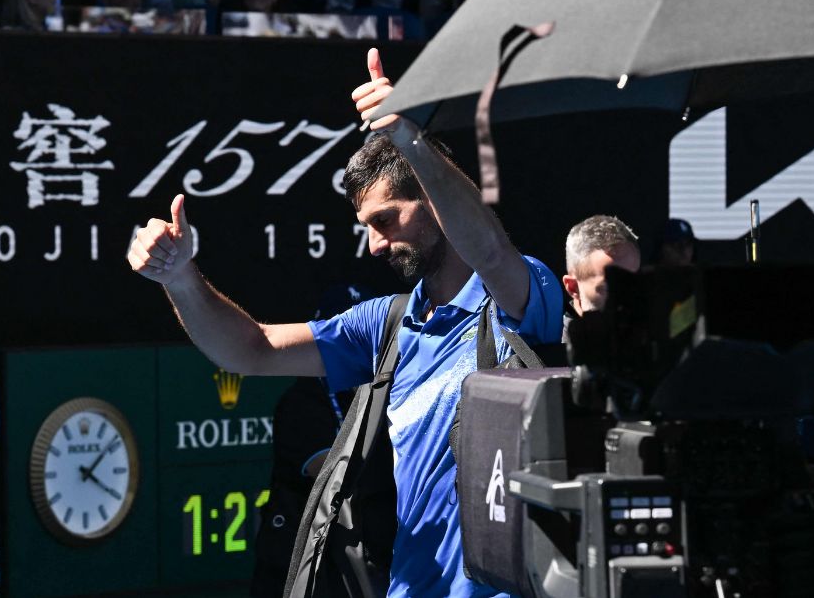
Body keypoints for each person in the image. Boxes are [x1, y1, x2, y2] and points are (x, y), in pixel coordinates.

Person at [128, 48, 562, 597]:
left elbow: (492, 253)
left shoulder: (517, 296)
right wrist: (181, 280)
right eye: (366, 226)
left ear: (433, 200)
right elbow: (253, 350)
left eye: (386, 220)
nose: (375, 244)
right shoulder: (385, 324)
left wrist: (411, 140)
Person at [249, 283, 365, 598]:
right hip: (292, 567)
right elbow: (337, 479)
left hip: (344, 565)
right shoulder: (301, 403)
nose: (355, 348)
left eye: (362, 338)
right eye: (343, 338)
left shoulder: (369, 392)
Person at [560, 214, 640, 338]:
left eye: (633, 283)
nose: (627, 297)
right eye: (610, 287)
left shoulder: (653, 344)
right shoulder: (550, 355)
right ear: (573, 287)